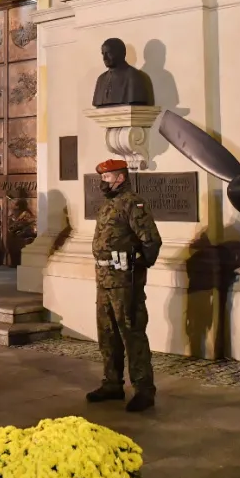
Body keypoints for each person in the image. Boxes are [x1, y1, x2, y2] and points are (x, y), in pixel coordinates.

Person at [86, 158, 162, 413]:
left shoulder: (133, 203)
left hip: (124, 282)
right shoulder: (109, 204)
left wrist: (136, 265)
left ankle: (143, 389)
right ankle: (112, 384)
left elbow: (151, 241)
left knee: (132, 333)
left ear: (119, 177)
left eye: (106, 177)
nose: (102, 182)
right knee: (107, 334)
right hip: (105, 280)